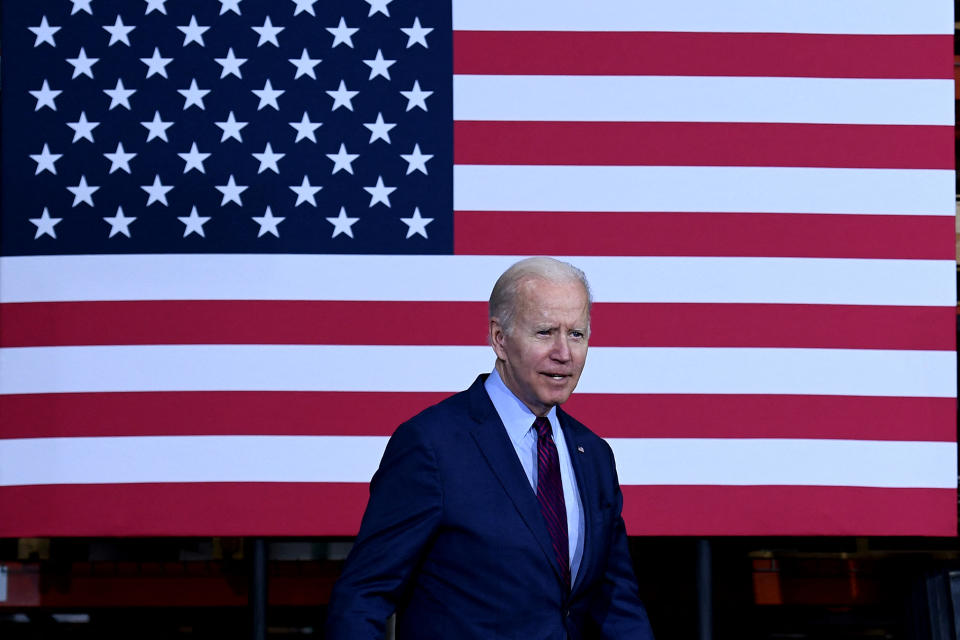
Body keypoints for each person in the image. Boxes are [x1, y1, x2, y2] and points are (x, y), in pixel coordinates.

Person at [325, 257, 655, 639]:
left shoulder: (593, 454)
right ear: (499, 338)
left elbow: (617, 605)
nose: (563, 353)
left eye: (576, 334)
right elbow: (362, 598)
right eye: (545, 332)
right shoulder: (432, 445)